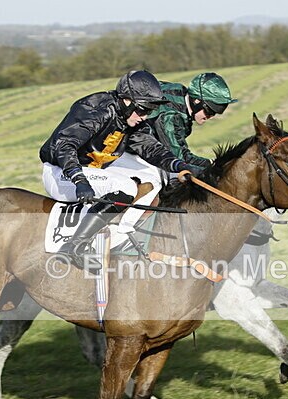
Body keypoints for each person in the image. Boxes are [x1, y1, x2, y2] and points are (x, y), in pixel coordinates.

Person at [39, 70, 199, 269]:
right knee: (126, 188)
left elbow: (150, 147)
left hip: (92, 170)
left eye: (148, 111)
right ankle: (74, 247)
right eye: (141, 110)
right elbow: (64, 146)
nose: (144, 116)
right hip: (61, 172)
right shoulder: (96, 110)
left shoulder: (130, 119)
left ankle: (123, 231)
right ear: (126, 100)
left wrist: (178, 166)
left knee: (152, 178)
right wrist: (79, 180)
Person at [144, 72, 237, 170]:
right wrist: (214, 165)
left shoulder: (179, 93)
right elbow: (179, 157)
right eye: (209, 111)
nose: (210, 116)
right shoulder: (171, 117)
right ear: (196, 101)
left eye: (214, 113)